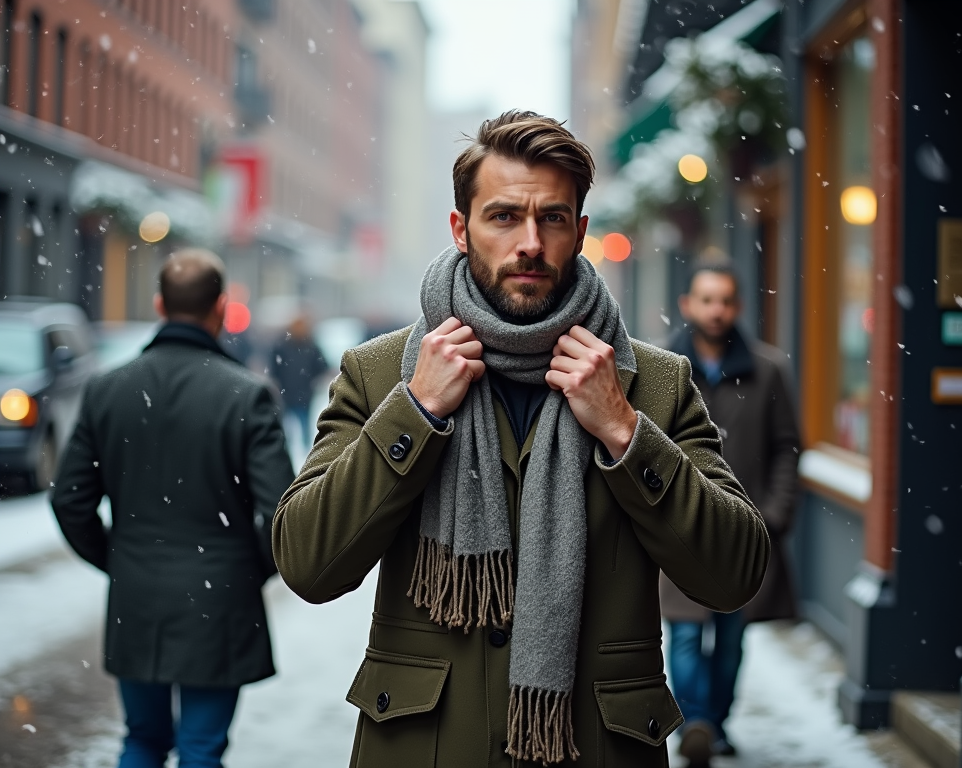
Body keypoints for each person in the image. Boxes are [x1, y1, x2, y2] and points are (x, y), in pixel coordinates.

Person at [272, 111, 770, 768]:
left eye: (553, 219)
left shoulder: (653, 384)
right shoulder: (379, 374)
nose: (530, 242)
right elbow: (308, 562)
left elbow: (733, 574)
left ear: (580, 233)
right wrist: (414, 414)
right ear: (461, 229)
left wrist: (625, 431)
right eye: (504, 216)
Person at [51, 249, 295, 768]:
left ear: (160, 304)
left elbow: (70, 499)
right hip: (220, 598)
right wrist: (247, 567)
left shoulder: (107, 389)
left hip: (137, 594)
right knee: (201, 749)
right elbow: (282, 513)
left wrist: (119, 558)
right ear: (221, 308)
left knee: (141, 739)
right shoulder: (246, 395)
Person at [661, 256, 801, 767]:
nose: (716, 310)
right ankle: (696, 721)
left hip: (746, 533)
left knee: (731, 638)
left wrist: (774, 515)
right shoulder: (660, 368)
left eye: (725, 300)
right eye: (706, 299)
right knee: (683, 633)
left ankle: (714, 724)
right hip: (680, 528)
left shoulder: (768, 370)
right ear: (688, 305)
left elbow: (788, 447)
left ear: (737, 306)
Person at [268, 313, 329, 448]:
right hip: (287, 393)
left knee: (304, 425)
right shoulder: (282, 346)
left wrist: (314, 381)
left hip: (304, 394)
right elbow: (274, 369)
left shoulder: (311, 346)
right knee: (285, 426)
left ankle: (305, 449)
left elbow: (322, 366)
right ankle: (285, 447)